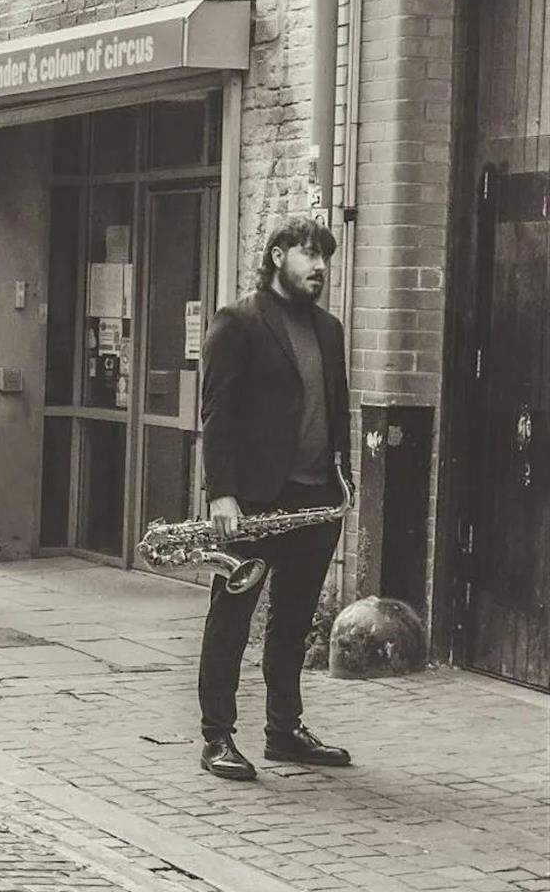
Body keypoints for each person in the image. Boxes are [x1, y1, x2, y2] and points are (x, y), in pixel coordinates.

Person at [196, 215, 354, 781]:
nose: (320, 267)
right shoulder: (238, 322)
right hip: (256, 501)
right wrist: (223, 495)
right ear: (277, 254)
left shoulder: (329, 329)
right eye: (310, 254)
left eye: (326, 258)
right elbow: (216, 414)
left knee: (292, 621)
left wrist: (345, 477)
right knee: (233, 616)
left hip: (316, 498)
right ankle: (217, 736)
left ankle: (284, 731)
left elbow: (336, 407)